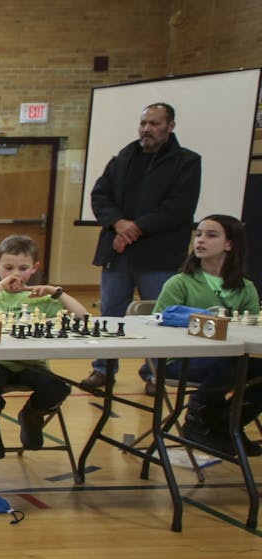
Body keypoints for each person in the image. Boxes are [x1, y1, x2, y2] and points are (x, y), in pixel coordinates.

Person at [80, 102, 201, 393]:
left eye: (155, 123)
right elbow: (100, 196)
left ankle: (154, 373)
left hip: (159, 255)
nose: (147, 129)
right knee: (111, 313)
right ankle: (104, 369)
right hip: (117, 252)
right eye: (144, 123)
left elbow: (178, 208)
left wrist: (136, 228)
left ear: (170, 126)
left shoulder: (186, 162)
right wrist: (118, 224)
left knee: (158, 316)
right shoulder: (123, 158)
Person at [153, 214, 262, 457]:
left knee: (248, 365)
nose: (200, 240)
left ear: (229, 244)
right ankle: (196, 419)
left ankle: (228, 425)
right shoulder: (179, 282)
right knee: (233, 363)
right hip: (179, 361)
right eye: (199, 234)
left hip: (227, 360)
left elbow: (253, 328)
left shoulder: (245, 288)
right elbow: (157, 323)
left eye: (211, 235)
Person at [0, 235, 85, 459]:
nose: (15, 273)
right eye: (8, 267)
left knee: (60, 387)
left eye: (23, 268)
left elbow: (82, 317)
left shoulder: (41, 299)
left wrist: (56, 292)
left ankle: (32, 415)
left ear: (35, 268)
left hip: (32, 365)